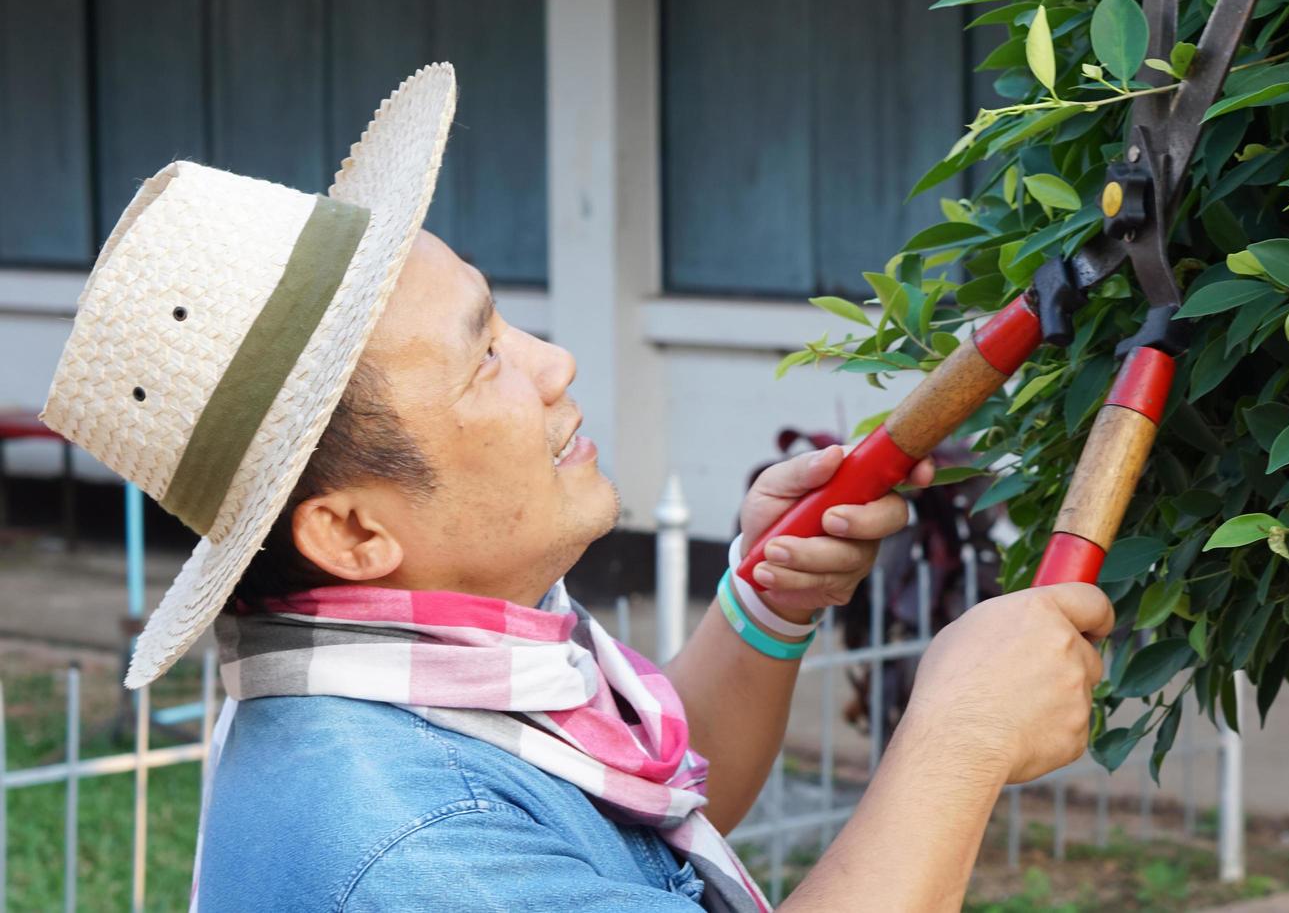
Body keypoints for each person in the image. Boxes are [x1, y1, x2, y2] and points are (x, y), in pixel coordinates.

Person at [40, 64, 1112, 912]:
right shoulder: (414, 847)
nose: (555, 362)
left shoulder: (426, 664)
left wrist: (768, 606)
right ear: (355, 528)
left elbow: (632, 827)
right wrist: (958, 741)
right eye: (487, 357)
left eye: (504, 321)